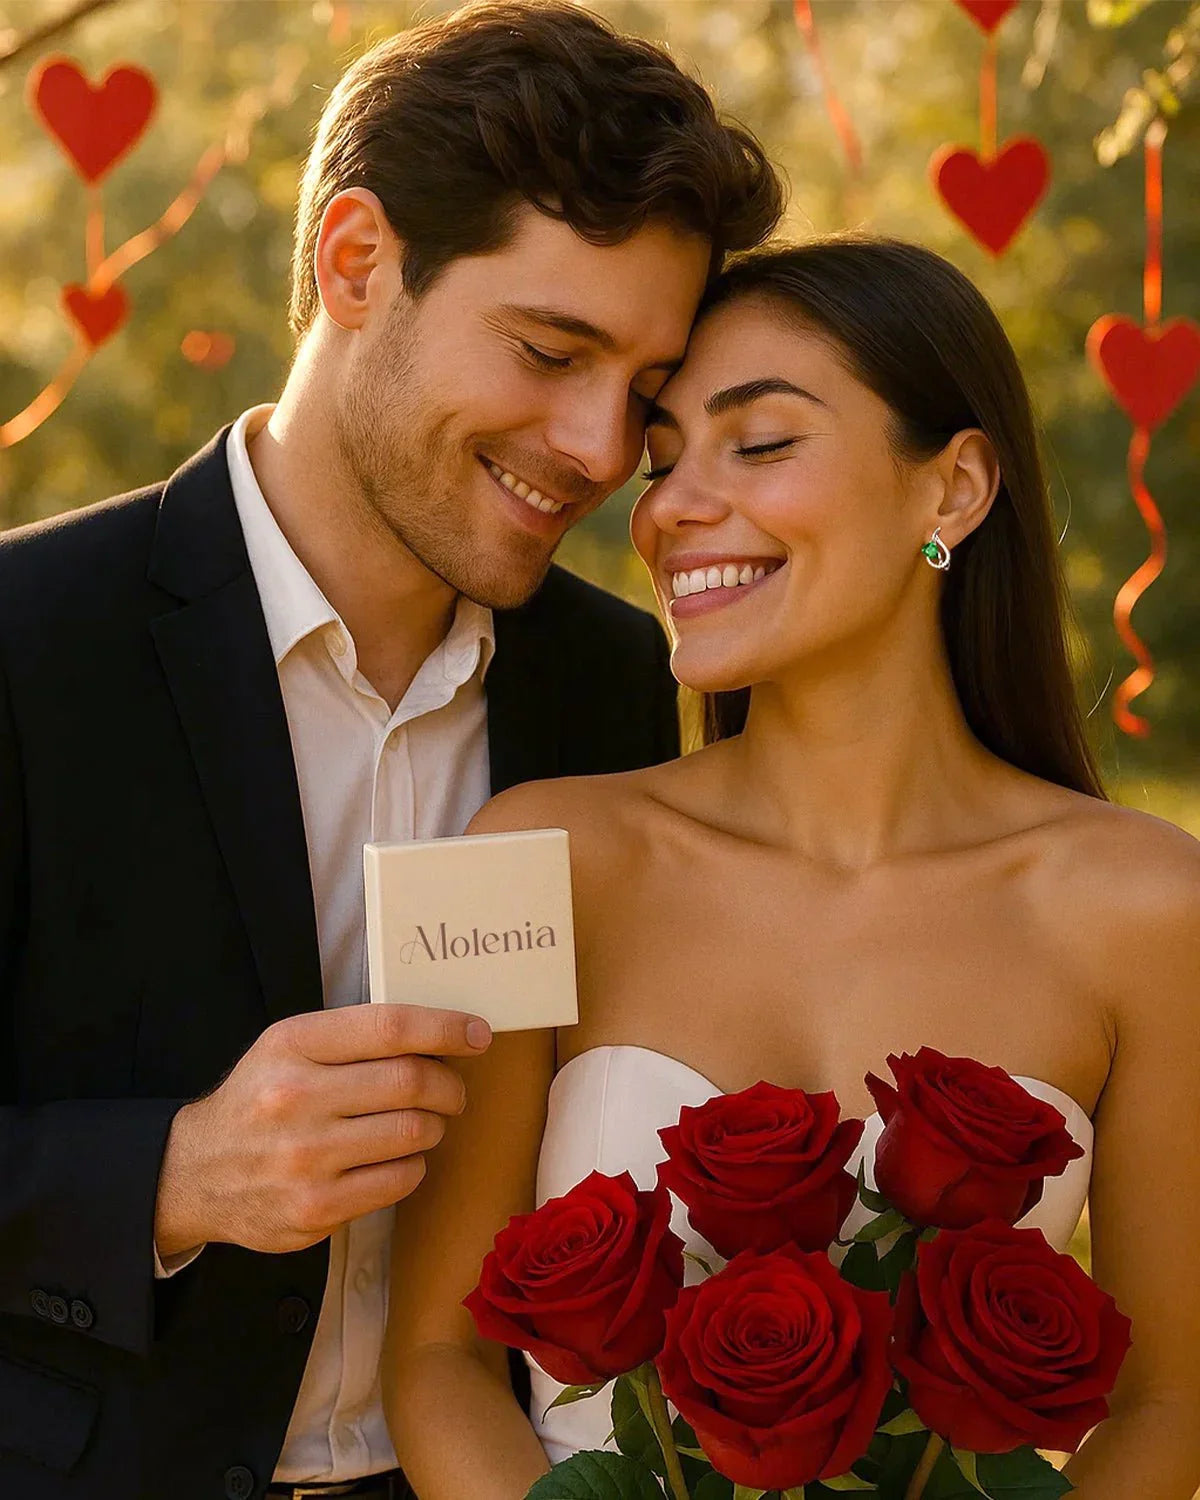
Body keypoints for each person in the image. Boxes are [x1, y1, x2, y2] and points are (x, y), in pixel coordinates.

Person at [0, 4, 783, 1496]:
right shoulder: (25, 642)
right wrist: (168, 1176)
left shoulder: (619, 684)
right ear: (358, 263)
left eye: (643, 391)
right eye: (552, 351)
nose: (603, 450)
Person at [382, 237, 1200, 1500]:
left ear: (955, 488)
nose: (667, 509)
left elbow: (1170, 1402)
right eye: (660, 462)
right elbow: (435, 1356)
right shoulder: (528, 856)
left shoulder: (1154, 908)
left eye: (757, 444)